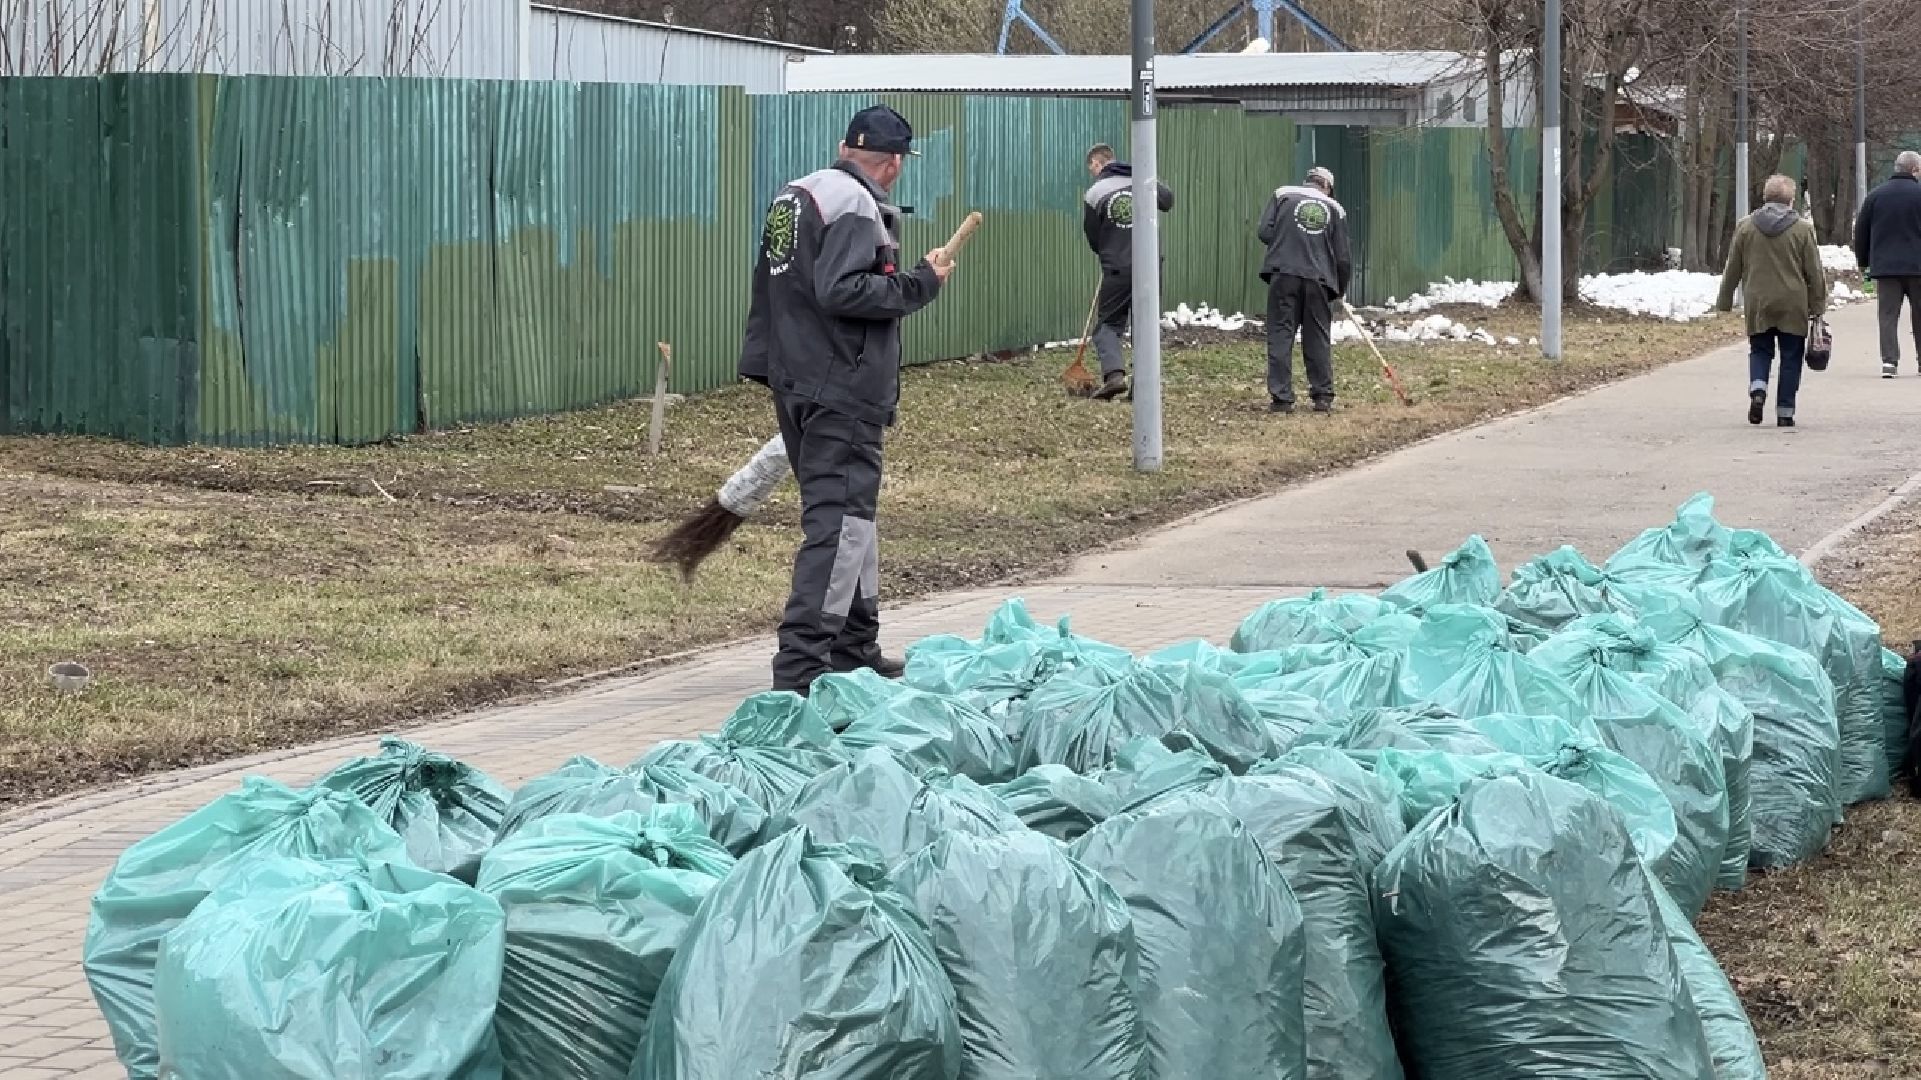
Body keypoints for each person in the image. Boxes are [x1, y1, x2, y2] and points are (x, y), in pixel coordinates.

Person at [739, 105, 953, 695]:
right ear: (891, 164)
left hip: (795, 375)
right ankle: (804, 665)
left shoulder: (798, 193)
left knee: (854, 520)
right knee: (838, 525)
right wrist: (920, 282)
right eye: (901, 164)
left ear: (844, 146)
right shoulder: (858, 205)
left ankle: (856, 646)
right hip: (841, 386)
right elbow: (843, 290)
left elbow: (787, 286)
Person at [1717, 174, 1826, 428]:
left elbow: (1733, 267)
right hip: (1793, 303)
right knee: (1791, 356)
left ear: (1765, 198)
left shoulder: (1745, 227)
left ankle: (1758, 389)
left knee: (1760, 350)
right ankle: (1785, 411)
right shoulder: (1802, 229)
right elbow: (1814, 271)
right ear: (1791, 201)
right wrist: (1818, 304)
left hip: (1758, 302)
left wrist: (1724, 301)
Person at [1082, 144, 1176, 401]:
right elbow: (1168, 201)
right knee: (1145, 326)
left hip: (1118, 267)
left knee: (1108, 326)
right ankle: (1143, 387)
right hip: (1150, 265)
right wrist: (1148, 181)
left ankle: (1114, 376)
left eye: (1091, 168)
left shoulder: (1095, 192)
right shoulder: (1142, 178)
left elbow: (1092, 236)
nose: (1092, 173)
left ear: (1098, 164)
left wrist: (1108, 252)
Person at [1257, 166, 1353, 414]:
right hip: (1318, 280)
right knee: (1316, 337)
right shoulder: (1335, 209)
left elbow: (1264, 232)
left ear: (1307, 181)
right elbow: (1342, 257)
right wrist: (1339, 289)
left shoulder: (1283, 195)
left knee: (1280, 333)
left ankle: (1282, 399)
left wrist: (1288, 240)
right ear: (1327, 187)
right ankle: (1322, 397)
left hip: (1283, 274)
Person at [1854, 149, 1921, 378]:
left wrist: (1863, 261)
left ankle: (1889, 362)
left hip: (1886, 268)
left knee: (1888, 315)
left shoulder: (1875, 195)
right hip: (1918, 268)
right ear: (1915, 170)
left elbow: (1861, 231)